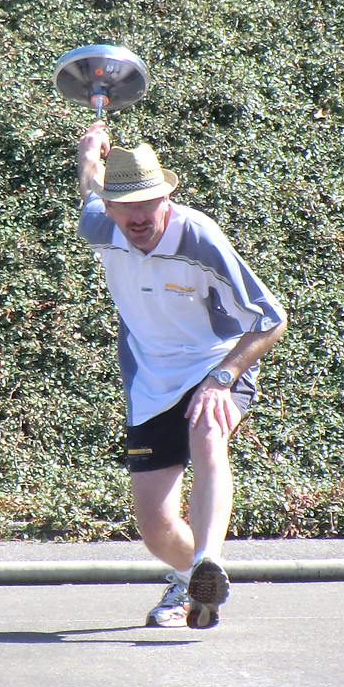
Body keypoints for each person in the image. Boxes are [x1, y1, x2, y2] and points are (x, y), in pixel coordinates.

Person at [74, 120, 287, 629]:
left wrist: (223, 378)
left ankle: (209, 559)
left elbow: (272, 319)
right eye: (125, 205)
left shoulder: (199, 238)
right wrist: (88, 153)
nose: (138, 216)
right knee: (156, 529)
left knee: (208, 430)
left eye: (148, 203)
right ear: (110, 207)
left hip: (212, 362)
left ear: (165, 198)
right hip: (149, 382)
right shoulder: (99, 225)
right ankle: (192, 578)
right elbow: (88, 189)